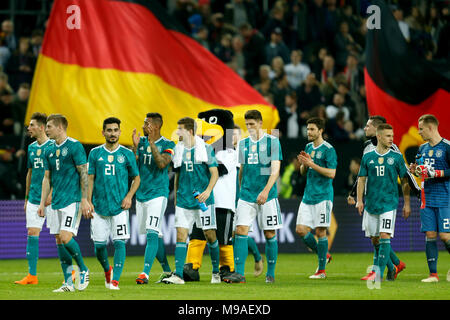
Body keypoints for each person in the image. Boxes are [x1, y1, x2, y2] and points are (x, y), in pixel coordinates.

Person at [348, 115, 418, 280]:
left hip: (389, 202)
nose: (391, 139)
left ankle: (377, 273)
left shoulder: (396, 155)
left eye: (392, 136)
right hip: (372, 202)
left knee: (384, 235)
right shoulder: (367, 153)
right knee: (375, 239)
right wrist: (358, 198)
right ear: (379, 135)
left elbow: (406, 179)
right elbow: (362, 179)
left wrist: (409, 202)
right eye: (388, 136)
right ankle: (395, 264)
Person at [224, 110, 283, 284]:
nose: (249, 128)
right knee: (240, 231)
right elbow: (241, 170)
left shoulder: (273, 142)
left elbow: (275, 169)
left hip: (268, 195)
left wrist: (265, 191)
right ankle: (240, 274)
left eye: (252, 124)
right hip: (247, 195)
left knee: (269, 233)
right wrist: (240, 191)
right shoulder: (242, 144)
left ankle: (270, 273)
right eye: (247, 124)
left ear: (260, 123)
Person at [162, 117, 220, 284]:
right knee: (181, 235)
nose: (177, 132)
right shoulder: (178, 149)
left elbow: (214, 173)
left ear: (189, 131)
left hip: (203, 200)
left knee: (210, 236)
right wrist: (175, 197)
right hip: (184, 199)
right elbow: (178, 174)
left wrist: (208, 192)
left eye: (180, 129)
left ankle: (216, 272)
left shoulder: (206, 148)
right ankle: (178, 275)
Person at [38, 114, 91, 292]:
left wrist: (84, 199)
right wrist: (41, 203)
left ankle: (83, 269)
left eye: (49, 126)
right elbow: (47, 178)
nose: (46, 129)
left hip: (72, 200)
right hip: (56, 202)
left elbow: (84, 173)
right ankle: (68, 283)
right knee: (59, 240)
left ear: (61, 128)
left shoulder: (75, 146)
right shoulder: (48, 150)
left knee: (66, 236)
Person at [87, 117, 140, 290]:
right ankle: (107, 270)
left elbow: (137, 178)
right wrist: (88, 201)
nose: (112, 133)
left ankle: (115, 281)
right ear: (103, 132)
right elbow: (90, 178)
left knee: (119, 243)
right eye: (109, 130)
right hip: (99, 207)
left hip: (119, 208)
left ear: (119, 132)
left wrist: (129, 196)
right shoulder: (95, 153)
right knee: (99, 247)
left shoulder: (127, 154)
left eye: (115, 130)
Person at [132, 113, 175, 284]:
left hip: (158, 194)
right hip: (141, 194)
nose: (143, 126)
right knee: (154, 235)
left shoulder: (168, 144)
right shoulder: (141, 143)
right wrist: (135, 149)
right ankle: (167, 270)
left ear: (155, 127)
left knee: (151, 232)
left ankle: (145, 273)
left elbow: (163, 163)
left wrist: (151, 144)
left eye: (146, 123)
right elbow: (134, 169)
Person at [14, 113, 56, 285]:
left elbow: (59, 173)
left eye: (31, 125)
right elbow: (29, 173)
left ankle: (72, 271)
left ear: (41, 127)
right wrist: (26, 198)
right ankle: (32, 276)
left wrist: (52, 193)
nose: (28, 128)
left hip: (52, 199)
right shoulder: (31, 148)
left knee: (61, 237)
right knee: (32, 233)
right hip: (33, 198)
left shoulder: (54, 146)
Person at [409, 114, 450, 283]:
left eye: (421, 129)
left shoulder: (447, 147)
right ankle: (433, 275)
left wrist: (437, 173)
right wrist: (416, 170)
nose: (419, 132)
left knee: (445, 237)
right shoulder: (422, 148)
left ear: (431, 128)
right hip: (427, 198)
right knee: (430, 234)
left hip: (445, 198)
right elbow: (422, 170)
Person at [295, 117, 335, 279]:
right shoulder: (308, 147)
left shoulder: (328, 149)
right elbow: (304, 173)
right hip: (308, 195)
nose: (309, 132)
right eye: (308, 129)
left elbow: (331, 173)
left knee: (320, 231)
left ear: (320, 131)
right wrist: (304, 164)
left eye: (312, 129)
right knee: (300, 230)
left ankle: (321, 271)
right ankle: (323, 254)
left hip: (323, 196)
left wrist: (311, 164)